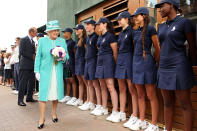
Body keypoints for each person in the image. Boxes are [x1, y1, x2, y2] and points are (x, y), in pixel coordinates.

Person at [155, 0, 197, 130]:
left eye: (162, 6)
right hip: (163, 67)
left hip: (179, 66)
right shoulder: (161, 27)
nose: (160, 9)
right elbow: (161, 48)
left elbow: (193, 48)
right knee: (167, 103)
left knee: (185, 104)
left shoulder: (184, 23)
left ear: (171, 5)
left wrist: (190, 66)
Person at [129, 7, 161, 131]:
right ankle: (142, 121)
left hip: (147, 63)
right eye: (134, 16)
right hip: (136, 64)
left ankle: (154, 124)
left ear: (144, 16)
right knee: (140, 94)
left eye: (137, 15)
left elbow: (157, 49)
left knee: (151, 95)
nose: (135, 18)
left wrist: (153, 62)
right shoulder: (135, 31)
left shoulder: (151, 29)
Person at [34, 20, 69, 129]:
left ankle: (54, 113)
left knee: (55, 94)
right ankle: (42, 118)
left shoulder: (62, 41)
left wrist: (62, 56)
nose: (56, 32)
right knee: (43, 96)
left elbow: (66, 57)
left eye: (57, 30)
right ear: (48, 31)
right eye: (54, 30)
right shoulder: (42, 41)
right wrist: (37, 71)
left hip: (57, 72)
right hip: (44, 72)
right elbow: (38, 56)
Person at [114, 11, 139, 124]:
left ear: (127, 19)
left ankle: (135, 115)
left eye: (121, 18)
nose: (119, 21)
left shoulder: (133, 32)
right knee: (121, 88)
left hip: (129, 59)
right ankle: (122, 113)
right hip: (120, 60)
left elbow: (135, 48)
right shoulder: (120, 34)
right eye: (118, 19)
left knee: (132, 89)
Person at [95, 17, 119, 121]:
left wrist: (114, 64)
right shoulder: (100, 36)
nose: (98, 26)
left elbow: (115, 52)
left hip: (108, 62)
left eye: (99, 24)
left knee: (110, 86)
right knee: (102, 86)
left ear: (105, 24)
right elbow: (99, 48)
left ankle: (115, 111)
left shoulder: (111, 36)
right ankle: (104, 108)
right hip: (100, 62)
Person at [80, 19, 102, 112]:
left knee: (95, 83)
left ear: (93, 26)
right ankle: (90, 102)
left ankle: (99, 104)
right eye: (86, 25)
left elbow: (98, 50)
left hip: (93, 61)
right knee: (88, 82)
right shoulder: (87, 38)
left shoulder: (96, 37)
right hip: (87, 61)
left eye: (88, 24)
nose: (86, 26)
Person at [18, 27, 38, 106]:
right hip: (24, 65)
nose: (36, 34)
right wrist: (32, 56)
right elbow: (22, 51)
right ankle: (20, 100)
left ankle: (29, 98)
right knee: (23, 83)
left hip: (31, 65)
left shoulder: (33, 41)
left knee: (32, 83)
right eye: (35, 32)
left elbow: (33, 53)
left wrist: (36, 54)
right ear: (31, 32)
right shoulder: (23, 39)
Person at [59, 28, 77, 104]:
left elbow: (74, 54)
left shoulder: (72, 42)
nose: (64, 34)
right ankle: (68, 96)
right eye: (63, 33)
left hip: (70, 64)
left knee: (72, 80)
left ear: (69, 33)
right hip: (64, 64)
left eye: (65, 32)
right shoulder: (64, 42)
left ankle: (74, 97)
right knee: (67, 80)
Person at [71, 24, 87, 106]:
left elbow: (87, 50)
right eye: (75, 29)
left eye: (78, 29)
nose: (76, 30)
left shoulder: (85, 39)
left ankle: (88, 100)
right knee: (80, 82)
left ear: (82, 30)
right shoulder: (77, 40)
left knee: (86, 82)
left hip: (83, 62)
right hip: (77, 62)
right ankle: (80, 99)